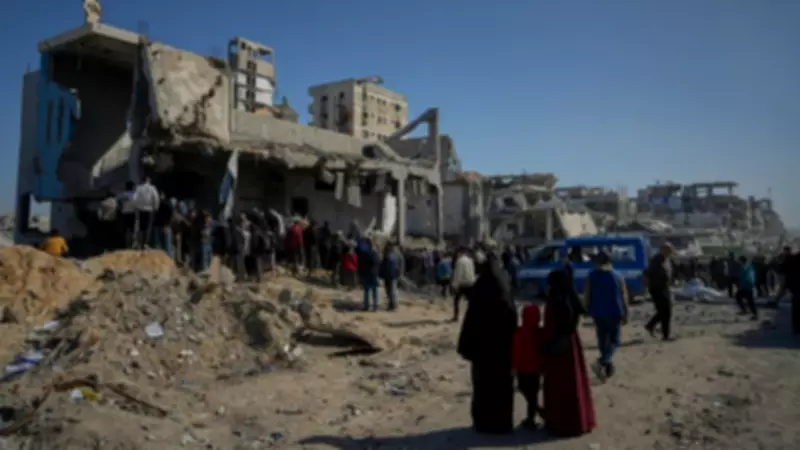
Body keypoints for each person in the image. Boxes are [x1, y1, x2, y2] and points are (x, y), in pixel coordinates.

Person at [457, 253, 517, 434]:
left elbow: (472, 318)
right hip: (503, 348)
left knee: (483, 385)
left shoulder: (481, 287)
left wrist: (467, 344)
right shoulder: (504, 286)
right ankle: (503, 423)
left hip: (483, 350)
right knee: (502, 386)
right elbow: (512, 316)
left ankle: (483, 422)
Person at [541, 269, 596, 437]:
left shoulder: (554, 299)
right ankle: (581, 420)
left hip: (557, 345)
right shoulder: (570, 296)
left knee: (560, 386)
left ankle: (561, 423)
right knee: (576, 382)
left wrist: (545, 344)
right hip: (572, 343)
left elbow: (552, 325)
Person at [585, 251, 629, 380]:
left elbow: (587, 294)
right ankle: (602, 362)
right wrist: (626, 312)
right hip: (614, 312)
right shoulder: (617, 276)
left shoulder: (591, 276)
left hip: (598, 312)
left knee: (603, 340)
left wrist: (586, 308)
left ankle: (606, 367)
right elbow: (624, 296)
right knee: (615, 340)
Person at [513, 302, 543, 429]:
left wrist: (514, 367)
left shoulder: (519, 333)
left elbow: (516, 351)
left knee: (524, 389)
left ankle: (535, 414)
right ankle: (533, 415)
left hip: (523, 369)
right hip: (536, 369)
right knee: (533, 393)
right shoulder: (540, 333)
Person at [645, 243, 675, 340]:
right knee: (664, 311)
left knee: (666, 311)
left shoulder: (667, 260)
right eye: (668, 250)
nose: (670, 252)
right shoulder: (656, 260)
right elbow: (648, 273)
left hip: (664, 288)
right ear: (662, 250)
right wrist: (649, 286)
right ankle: (665, 335)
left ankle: (651, 326)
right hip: (657, 289)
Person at [132, 176, 160, 248]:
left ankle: (140, 242)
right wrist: (155, 207)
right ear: (148, 180)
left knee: (141, 227)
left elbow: (134, 198)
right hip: (149, 209)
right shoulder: (152, 188)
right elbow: (156, 198)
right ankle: (146, 243)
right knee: (148, 227)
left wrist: (136, 207)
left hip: (141, 209)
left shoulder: (138, 188)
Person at [450, 249, 476, 322]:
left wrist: (454, 285)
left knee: (456, 301)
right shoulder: (470, 260)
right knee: (471, 301)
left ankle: (456, 317)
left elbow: (458, 274)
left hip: (462, 284)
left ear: (459, 253)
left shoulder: (460, 261)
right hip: (470, 282)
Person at [359, 239, 381, 311]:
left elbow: (361, 264)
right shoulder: (376, 253)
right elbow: (379, 263)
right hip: (375, 274)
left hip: (367, 274)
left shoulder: (364, 254)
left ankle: (366, 306)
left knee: (367, 291)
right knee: (375, 291)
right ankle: (375, 306)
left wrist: (361, 274)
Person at [735, 256, 758, 320]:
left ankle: (754, 315)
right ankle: (745, 310)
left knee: (749, 301)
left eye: (739, 260)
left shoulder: (743, 267)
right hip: (748, 284)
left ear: (741, 261)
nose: (738, 262)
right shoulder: (749, 266)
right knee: (739, 297)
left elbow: (744, 277)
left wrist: (742, 285)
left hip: (746, 285)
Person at [380, 243, 401, 311]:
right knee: (390, 291)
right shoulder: (388, 258)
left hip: (391, 277)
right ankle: (392, 304)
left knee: (391, 291)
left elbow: (386, 268)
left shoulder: (391, 258)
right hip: (389, 277)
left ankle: (393, 305)